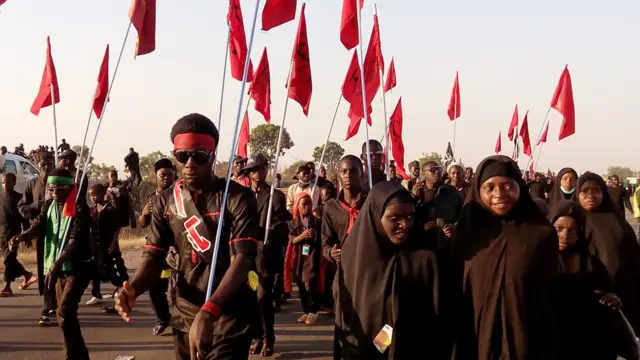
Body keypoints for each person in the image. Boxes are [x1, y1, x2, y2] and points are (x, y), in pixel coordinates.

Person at [114, 113, 261, 359]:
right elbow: (154, 254)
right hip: (186, 310)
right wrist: (133, 289)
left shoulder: (238, 197)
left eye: (199, 156)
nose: (190, 163)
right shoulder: (165, 199)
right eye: (182, 156)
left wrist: (210, 311)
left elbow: (243, 258)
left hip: (227, 311)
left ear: (212, 157)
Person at [451, 155, 558, 359]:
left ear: (520, 187)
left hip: (525, 335)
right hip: (475, 334)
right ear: (478, 190)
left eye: (508, 186)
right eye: (489, 188)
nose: (499, 194)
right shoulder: (467, 234)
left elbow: (553, 288)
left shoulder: (541, 234)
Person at [337, 181, 443, 359]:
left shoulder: (424, 255)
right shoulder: (354, 253)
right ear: (376, 216)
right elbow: (345, 306)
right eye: (395, 218)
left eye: (410, 217)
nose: (405, 224)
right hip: (366, 348)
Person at [10, 168, 93, 359]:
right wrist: (20, 237)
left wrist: (58, 263)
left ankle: (73, 356)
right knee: (64, 315)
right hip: (55, 267)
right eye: (52, 189)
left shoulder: (79, 209)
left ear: (69, 188)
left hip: (77, 266)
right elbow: (38, 225)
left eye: (59, 189)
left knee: (65, 310)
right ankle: (79, 355)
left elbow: (75, 240)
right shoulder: (48, 204)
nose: (55, 193)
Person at [548, 200, 622, 360]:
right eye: (558, 229)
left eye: (572, 230)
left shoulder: (592, 264)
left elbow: (607, 293)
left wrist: (612, 298)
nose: (564, 236)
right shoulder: (537, 261)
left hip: (586, 345)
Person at [576, 172, 640, 334]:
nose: (591, 195)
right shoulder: (570, 221)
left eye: (596, 190)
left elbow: (634, 259)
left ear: (604, 193)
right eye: (585, 191)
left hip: (620, 296)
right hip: (581, 299)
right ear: (577, 194)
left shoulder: (618, 223)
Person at [242, 154, 291, 356]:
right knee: (250, 299)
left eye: (260, 169)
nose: (257, 173)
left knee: (263, 298)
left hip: (266, 257)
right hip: (246, 257)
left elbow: (281, 226)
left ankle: (268, 337)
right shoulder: (242, 195)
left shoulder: (276, 197)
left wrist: (265, 232)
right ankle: (257, 336)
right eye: (253, 170)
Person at [17, 152, 57, 326]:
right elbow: (22, 207)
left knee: (59, 268)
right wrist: (36, 206)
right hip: (41, 232)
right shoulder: (31, 184)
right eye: (42, 164)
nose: (45, 167)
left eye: (49, 163)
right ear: (38, 165)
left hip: (60, 233)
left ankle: (56, 302)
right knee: (44, 267)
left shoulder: (60, 183)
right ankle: (48, 305)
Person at [138, 158, 175, 336]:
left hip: (178, 251)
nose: (166, 178)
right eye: (163, 175)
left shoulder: (181, 196)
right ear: (156, 176)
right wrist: (145, 212)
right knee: (156, 289)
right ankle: (163, 319)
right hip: (157, 252)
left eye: (169, 174)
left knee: (182, 289)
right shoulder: (151, 198)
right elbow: (143, 223)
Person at [285, 192, 322, 326]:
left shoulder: (317, 222)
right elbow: (291, 240)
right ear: (297, 207)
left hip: (312, 256)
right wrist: (302, 236)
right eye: (304, 204)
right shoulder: (292, 223)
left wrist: (313, 236)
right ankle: (306, 311)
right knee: (300, 284)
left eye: (309, 204)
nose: (307, 207)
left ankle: (313, 311)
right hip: (299, 257)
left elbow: (322, 240)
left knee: (310, 284)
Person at [85, 184, 123, 311]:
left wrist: (114, 242)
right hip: (93, 244)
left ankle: (120, 285)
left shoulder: (110, 210)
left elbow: (117, 228)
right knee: (93, 269)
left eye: (95, 195)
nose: (93, 198)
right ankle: (96, 294)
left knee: (105, 268)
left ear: (102, 194)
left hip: (106, 243)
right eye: (90, 196)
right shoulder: (92, 210)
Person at [0, 173, 35, 297]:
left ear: (14, 183)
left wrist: (26, 236)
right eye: (3, 182)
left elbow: (24, 219)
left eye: (8, 182)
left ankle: (7, 287)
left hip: (14, 233)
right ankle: (27, 274)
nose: (5, 185)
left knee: (8, 260)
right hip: (2, 232)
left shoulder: (19, 198)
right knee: (8, 258)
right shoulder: (1, 197)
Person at [412, 161, 462, 247]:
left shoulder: (450, 191)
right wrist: (413, 197)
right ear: (424, 174)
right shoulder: (418, 192)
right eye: (433, 170)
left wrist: (454, 226)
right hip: (424, 243)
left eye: (439, 169)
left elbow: (462, 214)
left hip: (448, 244)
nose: (437, 172)